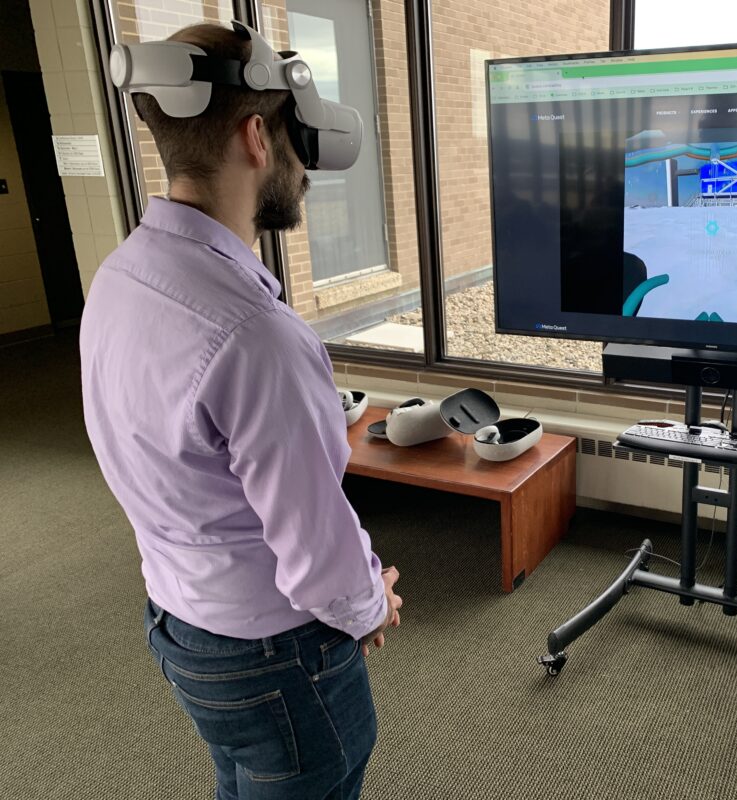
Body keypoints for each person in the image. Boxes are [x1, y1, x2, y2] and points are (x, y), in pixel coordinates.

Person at [79, 22, 401, 799]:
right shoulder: (256, 337)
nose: (303, 167)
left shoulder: (121, 277)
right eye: (294, 136)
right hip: (277, 657)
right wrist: (370, 604)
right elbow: (318, 554)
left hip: (180, 626)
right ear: (257, 136)